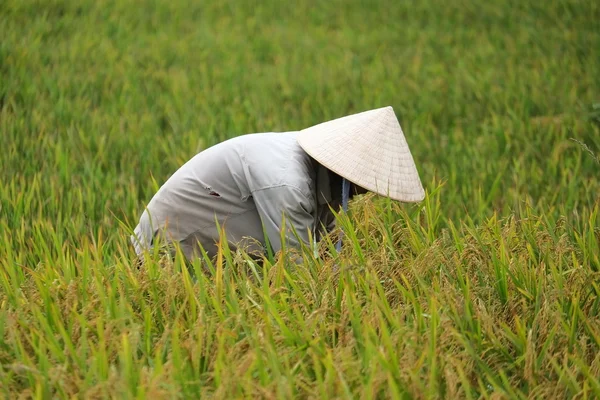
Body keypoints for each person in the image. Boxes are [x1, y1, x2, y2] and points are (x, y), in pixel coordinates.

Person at [131, 106, 425, 261]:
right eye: (366, 184)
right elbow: (298, 271)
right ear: (349, 174)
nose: (367, 193)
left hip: (218, 260)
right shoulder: (288, 183)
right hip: (164, 254)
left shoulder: (319, 177)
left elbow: (326, 247)